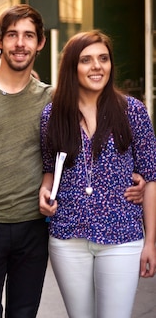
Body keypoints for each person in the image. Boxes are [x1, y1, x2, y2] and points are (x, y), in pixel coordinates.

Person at [0, 4, 146, 318]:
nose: (20, 43)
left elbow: (88, 142)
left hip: (34, 226)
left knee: (25, 313)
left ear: (41, 43)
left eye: (29, 36)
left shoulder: (53, 100)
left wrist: (135, 177)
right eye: (12, 35)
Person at [38, 30, 156, 318]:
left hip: (122, 236)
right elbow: (49, 170)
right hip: (68, 236)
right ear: (71, 67)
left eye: (103, 59)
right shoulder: (52, 115)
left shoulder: (133, 112)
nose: (96, 66)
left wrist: (151, 241)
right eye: (86, 60)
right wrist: (45, 190)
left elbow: (150, 177)